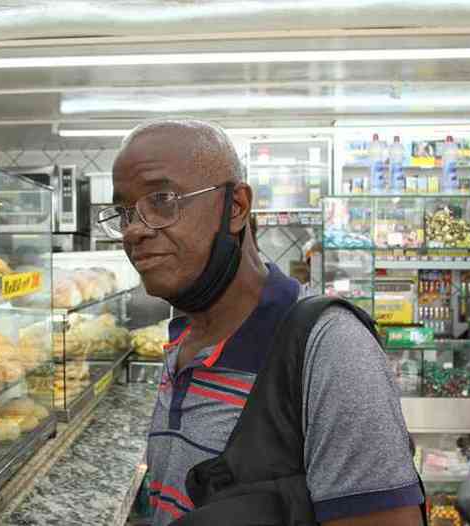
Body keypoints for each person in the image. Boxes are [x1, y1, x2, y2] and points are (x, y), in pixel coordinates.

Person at [102, 119, 423, 526]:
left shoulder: (329, 349)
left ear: (235, 207)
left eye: (162, 200)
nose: (132, 230)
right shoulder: (182, 339)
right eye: (123, 212)